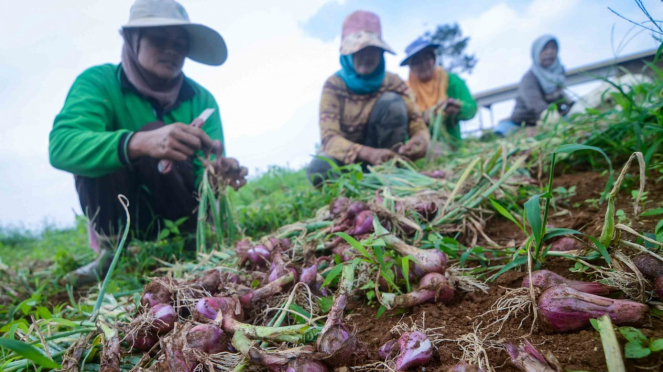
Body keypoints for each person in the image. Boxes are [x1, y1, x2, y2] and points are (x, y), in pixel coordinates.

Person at [49, 0, 248, 285]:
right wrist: (139, 142)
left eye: (180, 43)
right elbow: (62, 146)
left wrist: (219, 172)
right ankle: (113, 255)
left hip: (179, 211)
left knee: (164, 136)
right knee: (137, 137)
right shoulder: (98, 83)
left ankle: (190, 243)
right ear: (132, 39)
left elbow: (210, 168)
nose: (172, 50)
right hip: (118, 212)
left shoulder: (201, 100)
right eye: (159, 39)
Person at [306, 11, 430, 187]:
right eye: (359, 51)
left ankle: (392, 174)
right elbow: (330, 139)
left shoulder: (393, 82)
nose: (367, 57)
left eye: (373, 50)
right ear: (348, 54)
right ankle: (354, 188)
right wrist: (367, 153)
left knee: (392, 103)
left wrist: (420, 141)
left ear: (381, 54)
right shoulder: (334, 86)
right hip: (348, 161)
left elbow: (417, 124)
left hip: (385, 157)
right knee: (319, 168)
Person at [495, 35, 574, 136]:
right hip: (526, 120)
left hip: (554, 117)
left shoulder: (558, 73)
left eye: (553, 48)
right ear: (536, 52)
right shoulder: (529, 78)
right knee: (505, 129)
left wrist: (572, 103)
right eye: (544, 48)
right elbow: (535, 104)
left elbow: (561, 94)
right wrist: (549, 116)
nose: (549, 52)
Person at [401, 37, 477, 142]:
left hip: (452, 145)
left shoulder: (451, 81)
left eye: (427, 58)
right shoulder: (404, 92)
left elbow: (471, 108)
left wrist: (459, 109)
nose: (423, 64)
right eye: (417, 61)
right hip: (419, 149)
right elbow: (401, 125)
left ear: (434, 59)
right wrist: (421, 120)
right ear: (410, 66)